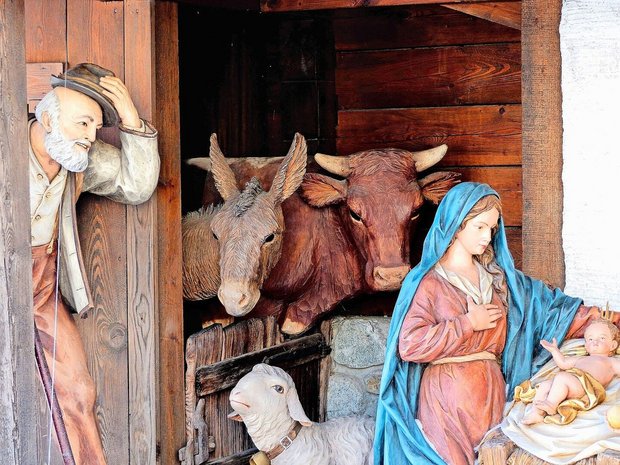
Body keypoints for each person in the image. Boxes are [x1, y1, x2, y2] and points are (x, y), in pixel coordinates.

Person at [373, 182, 620, 465]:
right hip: (447, 395)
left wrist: (607, 319)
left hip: (491, 389)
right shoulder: (429, 282)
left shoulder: (499, 280)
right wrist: (467, 323)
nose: (487, 237)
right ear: (456, 225)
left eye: (492, 228)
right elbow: (410, 345)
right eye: (479, 227)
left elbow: (549, 309)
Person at [30, 63, 159, 464]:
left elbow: (136, 184)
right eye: (81, 123)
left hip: (40, 291)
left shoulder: (75, 160)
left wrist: (131, 121)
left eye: (95, 126)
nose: (88, 136)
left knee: (78, 391)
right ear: (48, 118)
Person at [521, 318, 620, 425]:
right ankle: (536, 414)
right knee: (544, 385)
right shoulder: (580, 358)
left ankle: (551, 404)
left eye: (602, 338)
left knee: (562, 377)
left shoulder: (611, 362)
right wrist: (555, 351)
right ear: (586, 346)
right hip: (569, 383)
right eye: (590, 339)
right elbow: (563, 363)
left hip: (586, 387)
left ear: (613, 345)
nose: (595, 342)